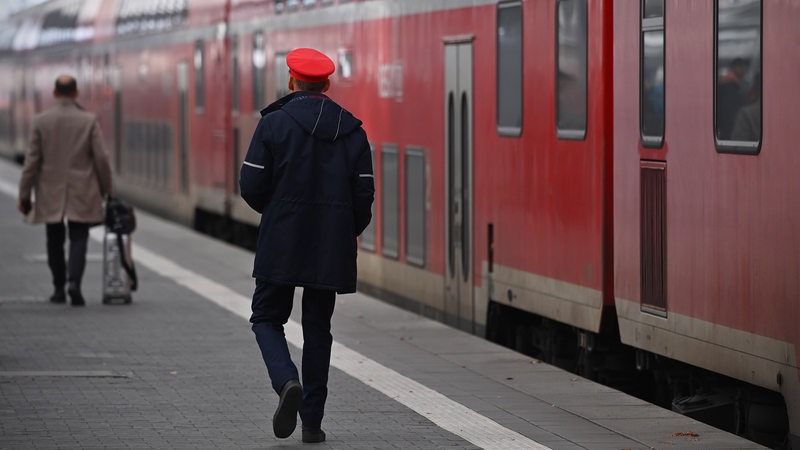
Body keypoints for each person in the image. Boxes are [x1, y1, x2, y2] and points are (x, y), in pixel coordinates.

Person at [239, 48, 374, 443]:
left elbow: (250, 186)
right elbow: (364, 195)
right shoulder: (353, 131)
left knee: (266, 316)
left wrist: (277, 211)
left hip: (282, 238)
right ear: (328, 84)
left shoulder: (274, 125)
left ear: (291, 82)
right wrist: (345, 229)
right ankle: (312, 422)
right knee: (318, 329)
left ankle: (286, 382)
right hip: (330, 245)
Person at [17, 75, 114, 307]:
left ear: (54, 93)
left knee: (54, 239)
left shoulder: (41, 121)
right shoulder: (88, 121)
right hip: (82, 190)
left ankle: (58, 287)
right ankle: (75, 283)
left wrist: (24, 195)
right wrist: (109, 190)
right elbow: (101, 158)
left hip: (51, 190)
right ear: (75, 93)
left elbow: (32, 162)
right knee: (79, 236)